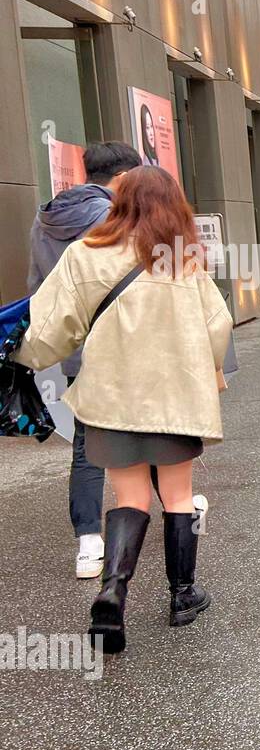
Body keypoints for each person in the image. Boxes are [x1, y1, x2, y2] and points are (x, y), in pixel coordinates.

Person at [15, 166, 233, 654]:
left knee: (128, 495)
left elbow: (55, 324)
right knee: (178, 496)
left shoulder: (85, 254)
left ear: (119, 200)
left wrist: (26, 357)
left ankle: (113, 591)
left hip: (111, 397)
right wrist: (213, 370)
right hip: (176, 396)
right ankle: (183, 596)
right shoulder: (183, 258)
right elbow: (217, 326)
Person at [28, 140, 142, 579]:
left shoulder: (44, 220)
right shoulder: (113, 217)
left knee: (86, 443)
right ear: (123, 177)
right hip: (121, 344)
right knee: (149, 428)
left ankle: (89, 543)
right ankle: (178, 505)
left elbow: (37, 284)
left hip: (76, 347)